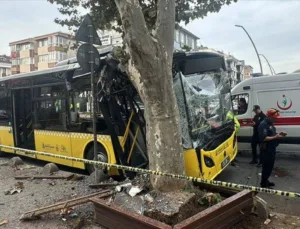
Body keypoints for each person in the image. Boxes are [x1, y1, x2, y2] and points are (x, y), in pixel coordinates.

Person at [258, 108, 286, 188]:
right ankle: (263, 183)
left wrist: (279, 133)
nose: (275, 120)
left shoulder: (270, 124)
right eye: (274, 118)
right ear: (269, 117)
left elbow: (271, 133)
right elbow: (264, 138)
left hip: (271, 148)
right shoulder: (263, 124)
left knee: (270, 166)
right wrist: (275, 137)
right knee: (266, 167)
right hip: (266, 149)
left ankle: (266, 180)